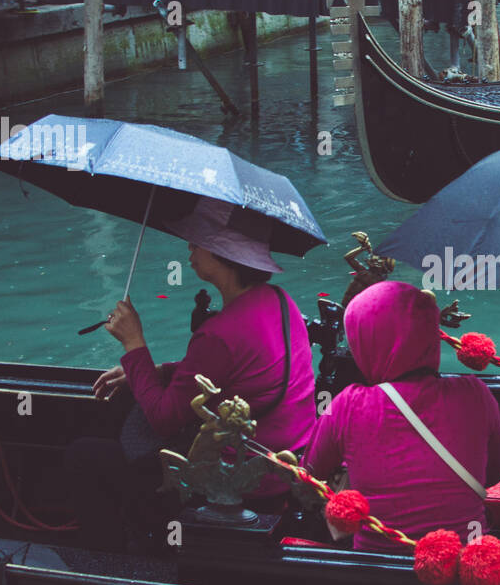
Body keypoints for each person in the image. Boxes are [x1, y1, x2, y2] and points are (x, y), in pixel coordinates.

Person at [66, 199, 316, 548]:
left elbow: (163, 420)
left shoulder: (219, 333)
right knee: (123, 408)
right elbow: (232, 371)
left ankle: (114, 562)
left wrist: (134, 344)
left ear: (221, 254)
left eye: (197, 241)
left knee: (84, 456)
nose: (189, 247)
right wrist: (158, 371)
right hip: (287, 460)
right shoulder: (280, 300)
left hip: (242, 482)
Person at [303, 281, 500, 552]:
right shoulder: (476, 394)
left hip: (377, 569)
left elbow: (309, 477)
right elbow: (493, 474)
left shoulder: (348, 404)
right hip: (465, 567)